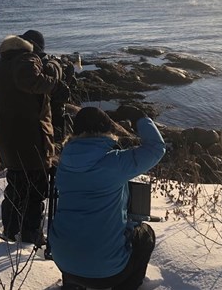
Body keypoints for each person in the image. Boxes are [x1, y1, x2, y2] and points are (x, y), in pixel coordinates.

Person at [49, 106, 166, 290]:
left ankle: (74, 284)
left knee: (78, 232)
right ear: (106, 130)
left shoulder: (64, 164)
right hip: (108, 274)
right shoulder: (115, 163)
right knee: (146, 235)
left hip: (63, 262)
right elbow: (156, 148)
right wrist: (140, 119)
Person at [0, 29, 62, 244]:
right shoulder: (25, 59)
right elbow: (37, 83)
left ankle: (10, 231)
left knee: (15, 187)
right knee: (34, 192)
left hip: (11, 139)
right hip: (30, 141)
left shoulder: (5, 63)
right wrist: (55, 69)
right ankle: (30, 236)